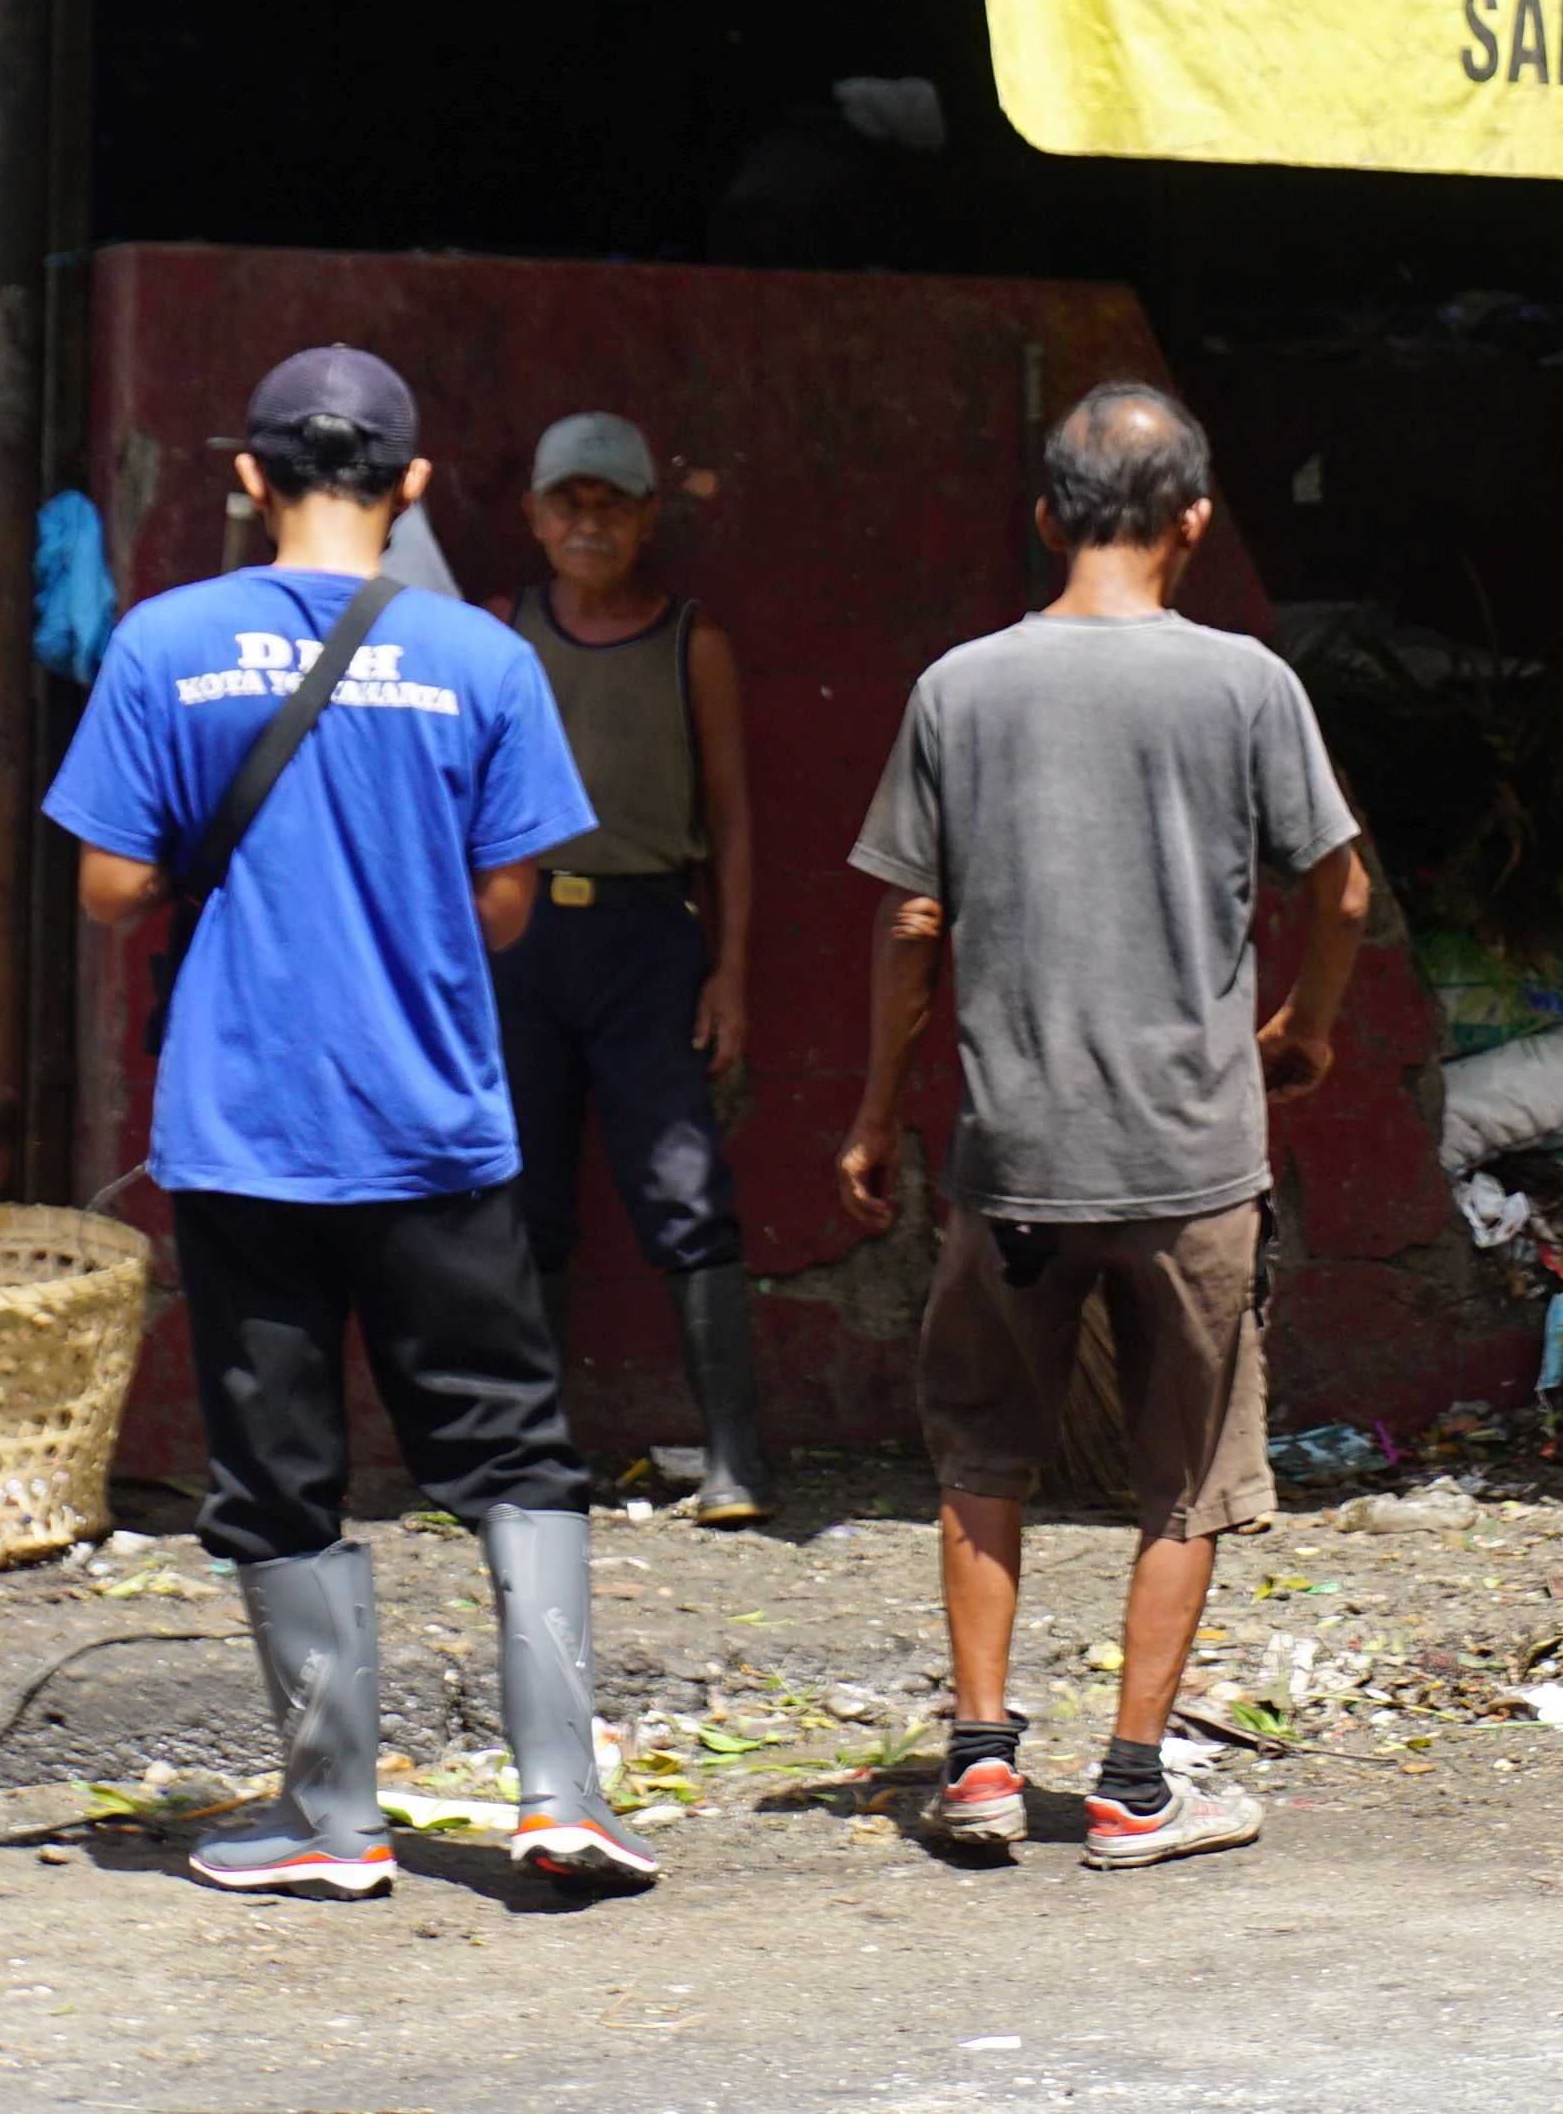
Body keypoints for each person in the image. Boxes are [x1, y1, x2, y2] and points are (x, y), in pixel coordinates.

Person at [41, 346, 653, 1896]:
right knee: (517, 1453)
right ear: (415, 483)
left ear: (248, 477)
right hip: (436, 1117)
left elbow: (111, 886)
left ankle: (331, 1819)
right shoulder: (485, 657)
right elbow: (509, 903)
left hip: (249, 1128)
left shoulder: (164, 642)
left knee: (281, 1473)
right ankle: (562, 1794)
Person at [833, 382, 1374, 1872]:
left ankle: (985, 1767)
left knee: (981, 1451)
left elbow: (910, 922)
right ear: (1196, 520)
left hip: (1010, 1153)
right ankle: (1134, 1783)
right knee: (1184, 1471)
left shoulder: (960, 687)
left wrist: (880, 1108)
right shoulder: (1247, 685)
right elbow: (1340, 888)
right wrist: (1304, 1027)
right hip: (1191, 1156)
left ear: (1044, 517)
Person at [491, 410, 770, 1524]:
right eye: (570, 501)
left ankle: (737, 1459)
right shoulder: (497, 634)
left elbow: (734, 817)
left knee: (684, 1190)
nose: (589, 522)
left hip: (650, 940)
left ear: (650, 516)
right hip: (520, 937)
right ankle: (526, 1465)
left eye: (613, 502)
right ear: (535, 516)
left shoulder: (688, 642)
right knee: (524, 1197)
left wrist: (731, 972)